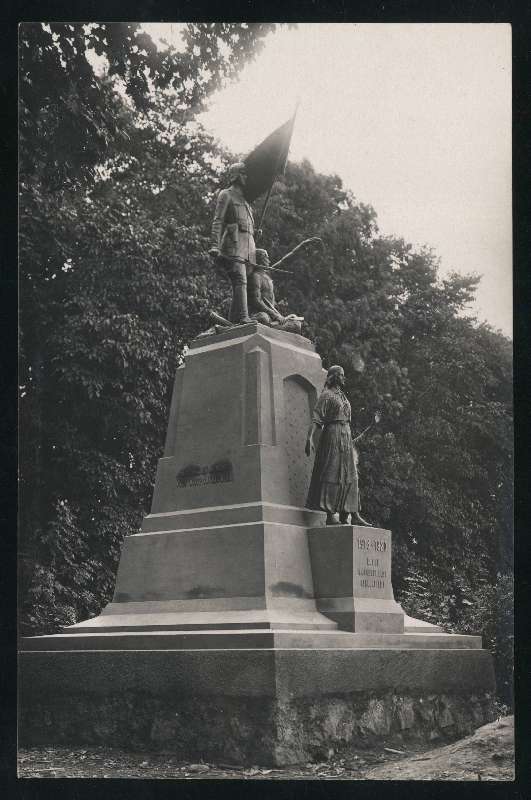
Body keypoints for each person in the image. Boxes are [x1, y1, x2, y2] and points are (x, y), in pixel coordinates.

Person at [305, 365, 370, 526]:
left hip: (346, 434)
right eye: (340, 375)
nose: (343, 378)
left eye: (343, 375)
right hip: (332, 434)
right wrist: (309, 438)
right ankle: (330, 514)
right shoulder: (326, 395)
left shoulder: (342, 396)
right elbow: (317, 417)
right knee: (332, 472)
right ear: (333, 376)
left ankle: (352, 513)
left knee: (351, 474)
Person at [209, 162, 256, 324]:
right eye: (243, 173)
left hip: (248, 249)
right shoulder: (226, 195)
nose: (246, 177)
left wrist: (257, 233)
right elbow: (218, 221)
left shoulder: (246, 202)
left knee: (243, 283)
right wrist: (214, 245)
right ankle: (243, 317)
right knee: (239, 279)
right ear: (235, 175)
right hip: (232, 245)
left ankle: (232, 322)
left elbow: (248, 227)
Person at [248, 249, 286, 325]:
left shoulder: (267, 277)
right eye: (267, 258)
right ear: (260, 259)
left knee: (296, 324)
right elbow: (256, 301)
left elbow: (283, 261)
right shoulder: (255, 276)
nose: (269, 261)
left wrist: (277, 309)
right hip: (260, 313)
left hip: (273, 315)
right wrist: (274, 315)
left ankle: (273, 324)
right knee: (263, 318)